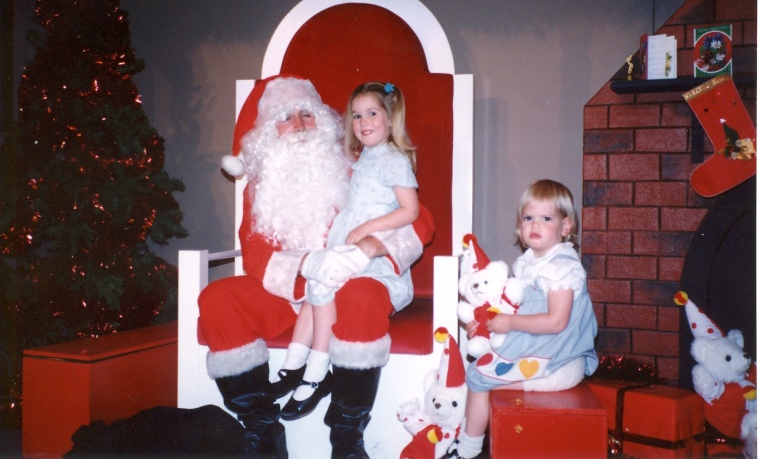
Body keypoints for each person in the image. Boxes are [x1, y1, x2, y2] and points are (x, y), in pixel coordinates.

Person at [199, 75, 434, 458]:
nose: (300, 124)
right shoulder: (262, 189)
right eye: (286, 116)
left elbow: (420, 219)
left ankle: (346, 437)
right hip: (290, 295)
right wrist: (310, 263)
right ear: (265, 134)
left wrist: (371, 247)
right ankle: (262, 431)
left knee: (359, 294)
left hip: (351, 289)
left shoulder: (358, 168)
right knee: (217, 298)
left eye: (307, 113)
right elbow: (256, 257)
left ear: (323, 121)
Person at [277, 82, 419, 420]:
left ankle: (316, 370)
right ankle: (292, 367)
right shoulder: (364, 157)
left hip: (375, 259)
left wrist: (366, 229)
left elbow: (410, 211)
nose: (363, 121)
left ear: (389, 118)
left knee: (323, 282)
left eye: (372, 113)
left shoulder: (394, 160)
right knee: (316, 284)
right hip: (348, 243)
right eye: (356, 115)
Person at [448, 179, 598, 459]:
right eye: (528, 218)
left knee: (478, 378)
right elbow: (513, 308)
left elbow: (556, 322)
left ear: (565, 227)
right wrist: (486, 326)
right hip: (541, 348)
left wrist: (509, 323)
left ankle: (467, 452)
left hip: (558, 362)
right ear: (519, 227)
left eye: (546, 218)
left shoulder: (562, 268)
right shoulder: (530, 262)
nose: (535, 225)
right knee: (481, 365)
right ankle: (464, 438)